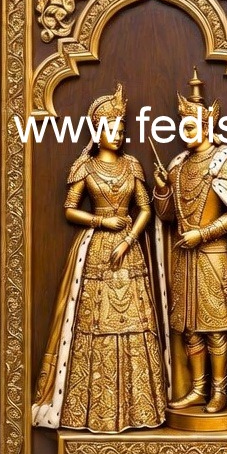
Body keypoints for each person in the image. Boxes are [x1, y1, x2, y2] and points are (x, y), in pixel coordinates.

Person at [32, 84, 167, 432]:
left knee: (135, 324)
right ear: (97, 131)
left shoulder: (132, 165)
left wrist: (129, 239)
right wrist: (101, 221)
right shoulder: (85, 167)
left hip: (128, 250)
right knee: (96, 324)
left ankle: (140, 408)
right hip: (96, 249)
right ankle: (92, 411)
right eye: (112, 129)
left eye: (122, 130)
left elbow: (145, 208)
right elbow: (69, 209)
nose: (118, 135)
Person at [153, 69, 227, 433]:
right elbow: (168, 217)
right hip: (183, 257)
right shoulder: (177, 166)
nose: (185, 133)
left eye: (191, 126)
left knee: (216, 328)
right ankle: (197, 388)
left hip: (214, 256)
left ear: (208, 126)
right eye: (182, 127)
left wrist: (203, 233)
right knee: (189, 329)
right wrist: (162, 190)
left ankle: (220, 391)